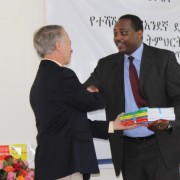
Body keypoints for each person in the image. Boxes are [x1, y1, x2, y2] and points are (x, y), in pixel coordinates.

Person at [30, 25, 138, 180]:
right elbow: (92, 103)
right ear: (58, 45)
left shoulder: (42, 78)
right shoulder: (61, 75)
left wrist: (113, 125)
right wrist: (102, 90)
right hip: (65, 166)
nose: (71, 49)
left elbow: (73, 123)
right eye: (69, 44)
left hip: (53, 165)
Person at [84, 14, 180, 180]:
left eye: (123, 33)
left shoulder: (164, 59)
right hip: (128, 151)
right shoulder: (106, 65)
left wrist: (170, 122)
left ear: (139, 33)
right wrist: (89, 91)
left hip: (160, 147)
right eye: (115, 33)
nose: (117, 38)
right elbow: (85, 92)